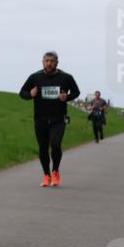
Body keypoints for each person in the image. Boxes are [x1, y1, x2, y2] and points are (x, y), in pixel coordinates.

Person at [19, 52, 80, 187]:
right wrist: (30, 94)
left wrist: (67, 97)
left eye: (52, 61)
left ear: (57, 62)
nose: (49, 63)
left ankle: (55, 171)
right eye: (46, 61)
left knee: (55, 144)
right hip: (40, 119)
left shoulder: (66, 77)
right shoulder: (35, 77)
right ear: (43, 62)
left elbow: (76, 92)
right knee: (43, 148)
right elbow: (22, 93)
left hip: (58, 119)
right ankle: (46, 175)